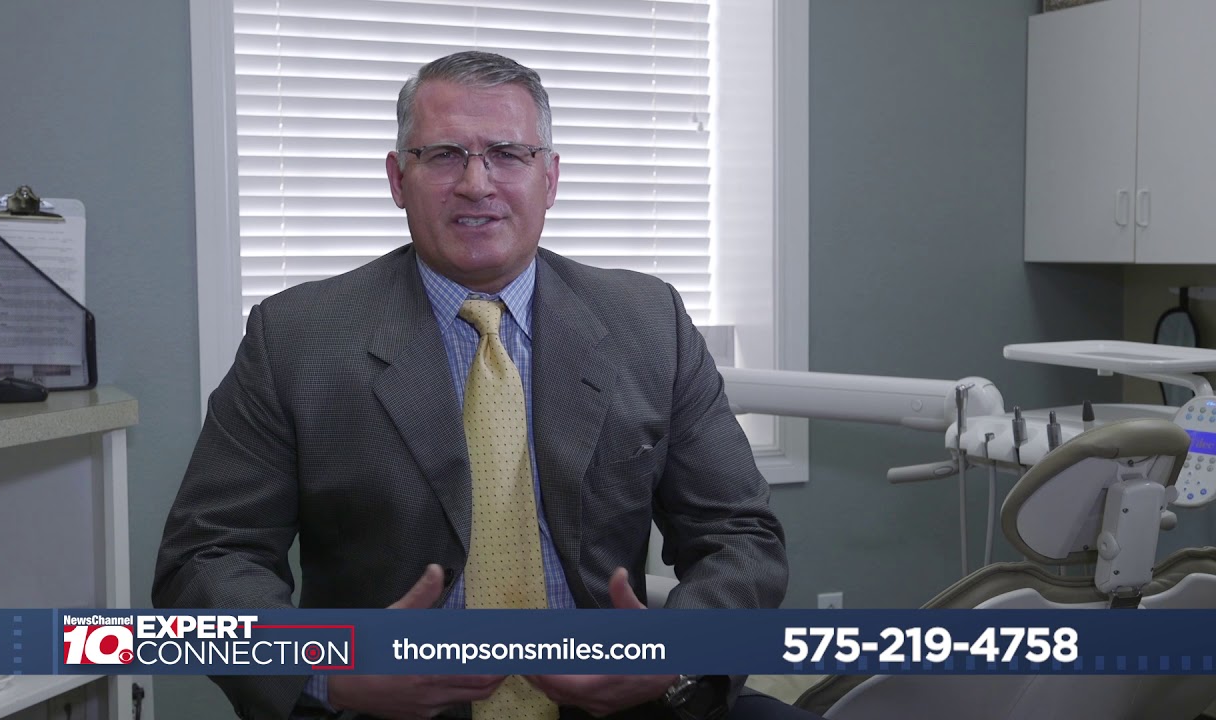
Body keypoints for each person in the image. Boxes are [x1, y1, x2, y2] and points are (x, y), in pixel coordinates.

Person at [154, 50, 808, 720]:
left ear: (549, 178)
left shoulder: (649, 323)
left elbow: (738, 534)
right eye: (443, 155)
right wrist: (330, 673)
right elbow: (208, 556)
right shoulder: (296, 338)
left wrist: (678, 653)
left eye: (507, 154)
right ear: (397, 178)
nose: (476, 183)